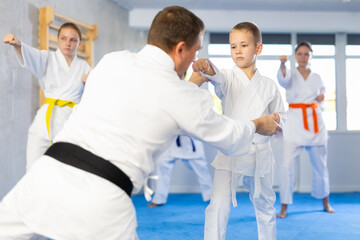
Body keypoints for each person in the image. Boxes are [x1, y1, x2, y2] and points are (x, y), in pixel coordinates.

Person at [0, 6, 280, 240]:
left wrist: (189, 87)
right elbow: (229, 137)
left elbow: (151, 94)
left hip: (44, 177)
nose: (196, 59)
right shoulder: (181, 94)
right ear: (181, 48)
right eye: (195, 51)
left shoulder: (111, 61)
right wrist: (258, 124)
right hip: (102, 199)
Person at [193, 22, 286, 240]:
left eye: (244, 45)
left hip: (259, 151)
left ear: (258, 48)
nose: (238, 51)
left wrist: (276, 120)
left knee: (265, 205)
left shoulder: (269, 85)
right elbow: (217, 76)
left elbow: (282, 115)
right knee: (219, 203)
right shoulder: (228, 77)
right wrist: (207, 67)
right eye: (233, 47)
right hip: (231, 148)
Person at [3, 22, 91, 171]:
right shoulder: (47, 58)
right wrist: (17, 45)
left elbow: (95, 93)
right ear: (58, 39)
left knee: (64, 173)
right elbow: (31, 55)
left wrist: (89, 81)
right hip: (44, 124)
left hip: (69, 126)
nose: (68, 43)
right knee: (33, 170)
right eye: (63, 38)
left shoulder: (84, 67)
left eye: (73, 40)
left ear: (79, 43)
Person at [276, 41, 335, 218]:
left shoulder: (317, 77)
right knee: (286, 166)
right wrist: (282, 64)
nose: (303, 57)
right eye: (300, 54)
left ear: (311, 56)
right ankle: (284, 206)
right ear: (296, 56)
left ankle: (325, 201)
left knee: (321, 165)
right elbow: (283, 80)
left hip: (315, 121)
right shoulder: (291, 73)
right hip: (294, 122)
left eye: (306, 54)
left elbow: (321, 97)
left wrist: (321, 97)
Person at [148, 72, 212, 207]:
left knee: (202, 169)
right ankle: (159, 199)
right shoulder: (164, 90)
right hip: (171, 138)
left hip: (189, 138)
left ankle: (210, 196)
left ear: (183, 75)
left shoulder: (192, 90)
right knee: (162, 167)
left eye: (180, 74)